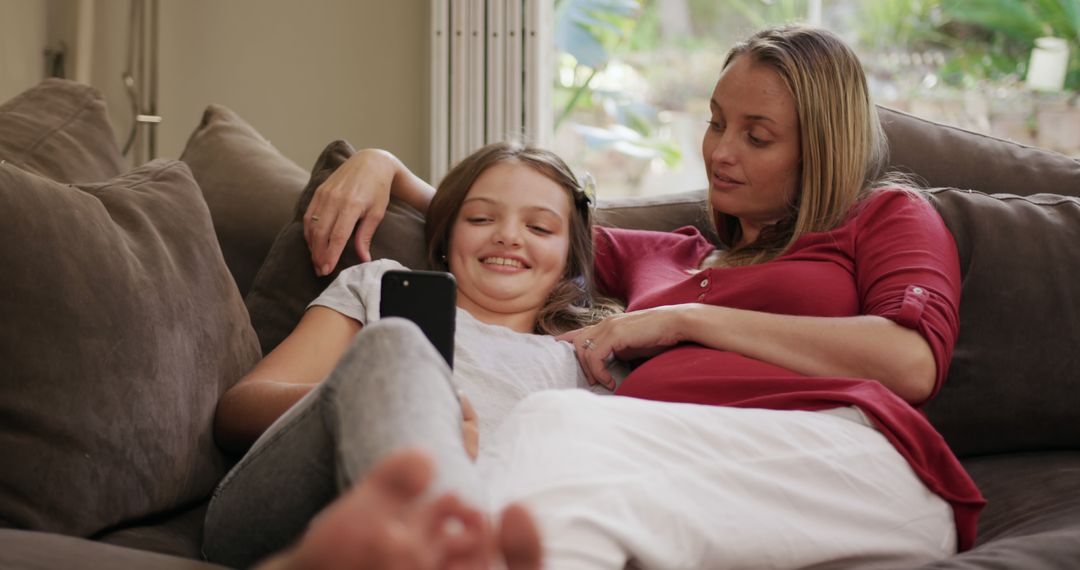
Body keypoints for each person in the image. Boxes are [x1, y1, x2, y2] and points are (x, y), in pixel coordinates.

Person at [301, 24, 987, 567]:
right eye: (717, 122)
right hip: (688, 475)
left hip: (849, 463)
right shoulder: (672, 256)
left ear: (821, 148)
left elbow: (911, 362)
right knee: (519, 500)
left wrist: (684, 320)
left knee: (553, 423)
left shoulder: (883, 214)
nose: (720, 151)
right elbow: (512, 223)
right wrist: (382, 165)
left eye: (758, 136)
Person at [203, 141, 618, 568]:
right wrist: (368, 398)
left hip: (494, 525)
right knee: (396, 343)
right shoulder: (380, 285)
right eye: (479, 218)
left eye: (540, 228)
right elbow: (236, 412)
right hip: (295, 507)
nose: (508, 236)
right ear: (446, 234)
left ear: (572, 254)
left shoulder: (589, 358)